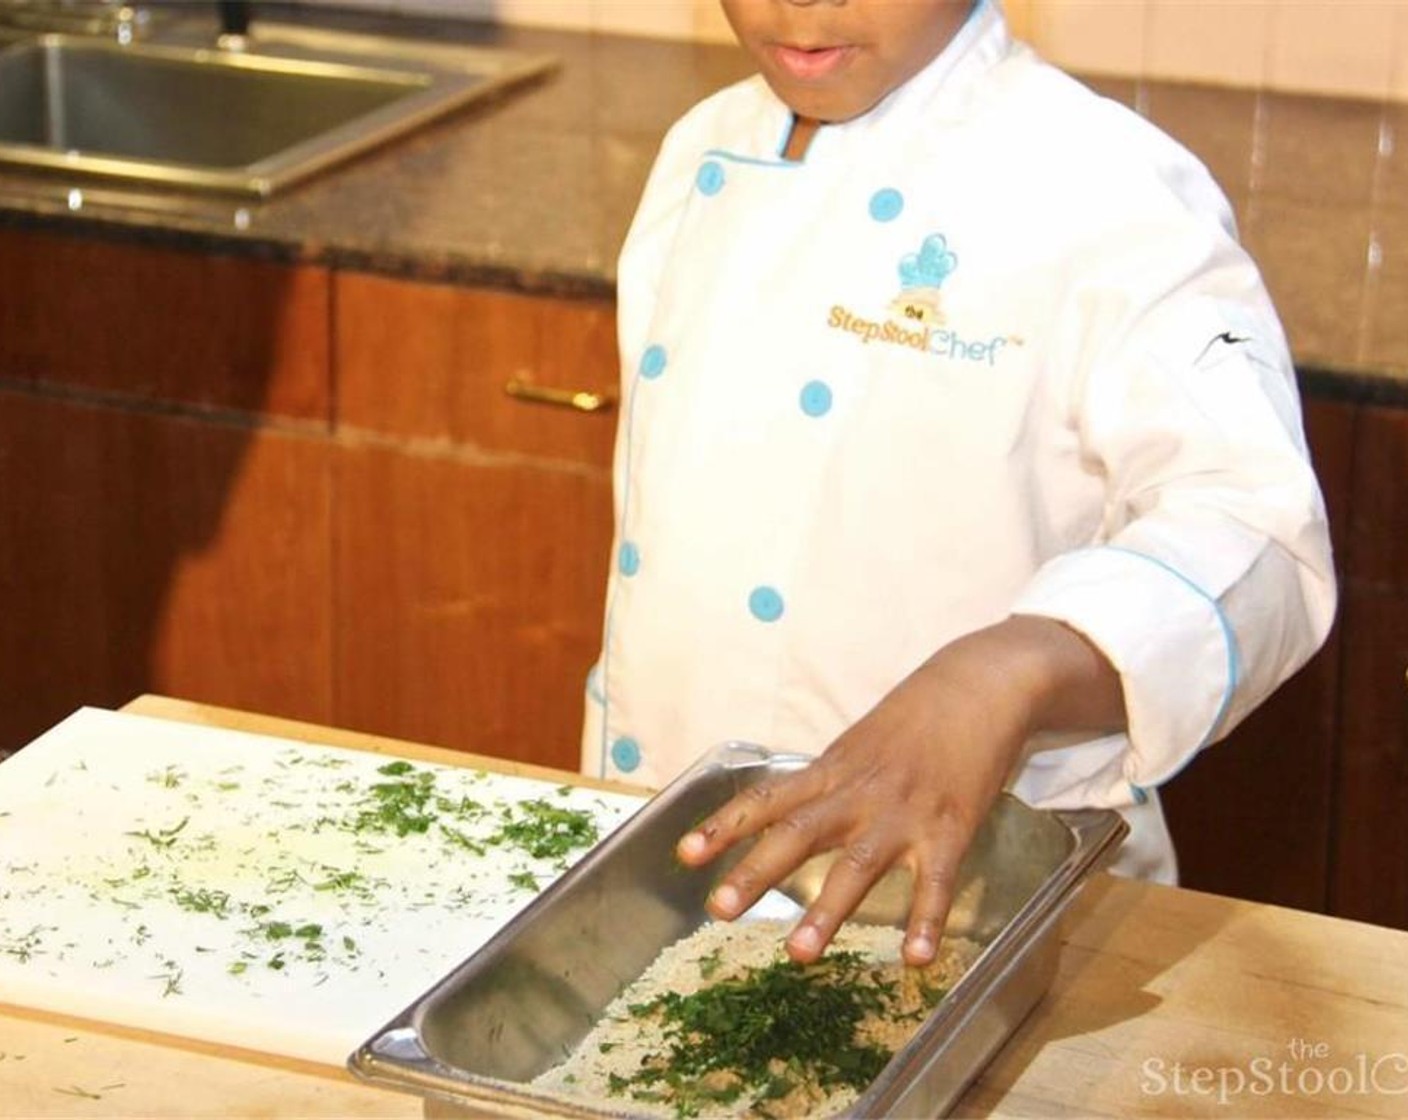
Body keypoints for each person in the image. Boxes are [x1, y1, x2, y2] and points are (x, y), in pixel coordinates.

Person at [581, 0, 1336, 969]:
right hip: (666, 868)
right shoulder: (701, 150)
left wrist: (1006, 671)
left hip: (985, 918)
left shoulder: (1107, 189)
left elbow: (1256, 529)